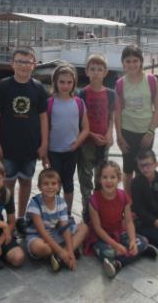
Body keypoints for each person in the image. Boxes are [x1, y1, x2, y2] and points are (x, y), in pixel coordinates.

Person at [0, 47, 49, 236]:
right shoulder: (2, 86)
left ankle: (21, 217)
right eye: (20, 61)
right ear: (12, 63)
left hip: (30, 146)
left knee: (25, 182)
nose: (23, 66)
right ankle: (8, 217)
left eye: (27, 62)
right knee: (7, 183)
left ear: (34, 65)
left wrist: (44, 144)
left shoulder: (39, 88)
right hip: (7, 145)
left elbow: (43, 118)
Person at [85, 161, 158, 278]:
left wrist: (133, 240)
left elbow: (129, 221)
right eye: (105, 177)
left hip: (119, 231)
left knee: (142, 240)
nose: (109, 181)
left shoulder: (123, 196)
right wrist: (115, 245)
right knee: (108, 253)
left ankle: (118, 263)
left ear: (118, 179)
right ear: (99, 179)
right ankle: (139, 252)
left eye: (112, 177)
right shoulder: (94, 201)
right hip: (101, 236)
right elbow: (98, 229)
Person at [115, 44, 158, 196]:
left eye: (135, 60)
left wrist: (150, 132)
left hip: (146, 131)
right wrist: (119, 137)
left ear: (141, 61)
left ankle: (142, 199)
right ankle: (128, 202)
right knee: (128, 169)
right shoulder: (120, 83)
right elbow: (117, 112)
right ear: (123, 63)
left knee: (145, 168)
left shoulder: (151, 80)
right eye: (128, 61)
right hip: (128, 130)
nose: (132, 64)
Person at [25, 169, 88, 272]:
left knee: (84, 227)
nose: (50, 187)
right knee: (40, 248)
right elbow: (42, 232)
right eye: (46, 184)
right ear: (39, 186)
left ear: (58, 186)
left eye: (53, 183)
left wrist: (70, 253)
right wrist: (60, 251)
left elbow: (64, 227)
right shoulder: (34, 203)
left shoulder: (61, 202)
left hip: (55, 233)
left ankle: (61, 256)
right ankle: (61, 252)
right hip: (38, 236)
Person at [47, 63, 89, 215]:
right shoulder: (50, 103)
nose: (65, 85)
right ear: (55, 82)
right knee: (54, 183)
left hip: (72, 151)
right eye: (62, 82)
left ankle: (68, 213)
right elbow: (45, 128)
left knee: (68, 183)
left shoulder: (78, 102)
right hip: (53, 151)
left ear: (74, 83)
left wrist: (77, 143)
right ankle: (53, 212)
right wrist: (44, 150)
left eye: (69, 82)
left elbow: (86, 128)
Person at [78, 54, 115, 222]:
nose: (96, 73)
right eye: (92, 69)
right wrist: (90, 134)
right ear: (86, 72)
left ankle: (101, 207)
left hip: (103, 142)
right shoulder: (82, 94)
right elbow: (78, 119)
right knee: (86, 178)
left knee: (101, 176)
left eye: (100, 70)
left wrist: (110, 133)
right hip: (87, 142)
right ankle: (87, 209)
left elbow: (111, 117)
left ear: (105, 72)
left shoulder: (110, 94)